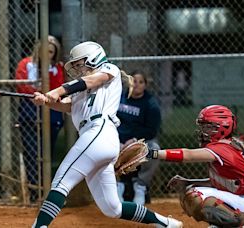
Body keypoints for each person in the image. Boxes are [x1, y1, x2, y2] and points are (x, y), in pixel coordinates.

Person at [31, 41, 182, 228]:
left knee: (61, 183)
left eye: (80, 64)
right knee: (112, 208)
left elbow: (91, 81)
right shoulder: (80, 90)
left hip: (99, 131)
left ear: (94, 58)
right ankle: (166, 223)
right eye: (76, 66)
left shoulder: (109, 70)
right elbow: (66, 105)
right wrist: (45, 100)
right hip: (97, 138)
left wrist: (59, 90)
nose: (78, 69)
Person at [144, 105, 244, 227]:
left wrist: (152, 153)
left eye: (208, 127)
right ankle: (224, 225)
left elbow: (188, 155)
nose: (203, 131)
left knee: (195, 195)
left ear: (223, 128)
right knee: (192, 190)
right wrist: (188, 182)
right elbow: (224, 183)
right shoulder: (227, 144)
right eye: (202, 126)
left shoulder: (222, 148)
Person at [15, 35, 64, 202]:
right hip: (30, 111)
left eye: (51, 52)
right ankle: (35, 191)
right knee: (32, 153)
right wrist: (40, 91)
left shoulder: (57, 68)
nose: (47, 54)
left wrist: (45, 91)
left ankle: (47, 190)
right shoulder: (26, 64)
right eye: (45, 50)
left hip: (51, 113)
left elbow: (58, 89)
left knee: (47, 152)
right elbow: (22, 85)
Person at [116, 71, 161, 205]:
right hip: (118, 140)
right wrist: (117, 139)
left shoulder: (150, 104)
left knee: (155, 149)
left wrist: (134, 140)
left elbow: (152, 130)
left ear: (145, 85)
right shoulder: (119, 98)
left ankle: (140, 186)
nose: (136, 85)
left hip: (139, 141)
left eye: (140, 82)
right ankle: (117, 185)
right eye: (134, 81)